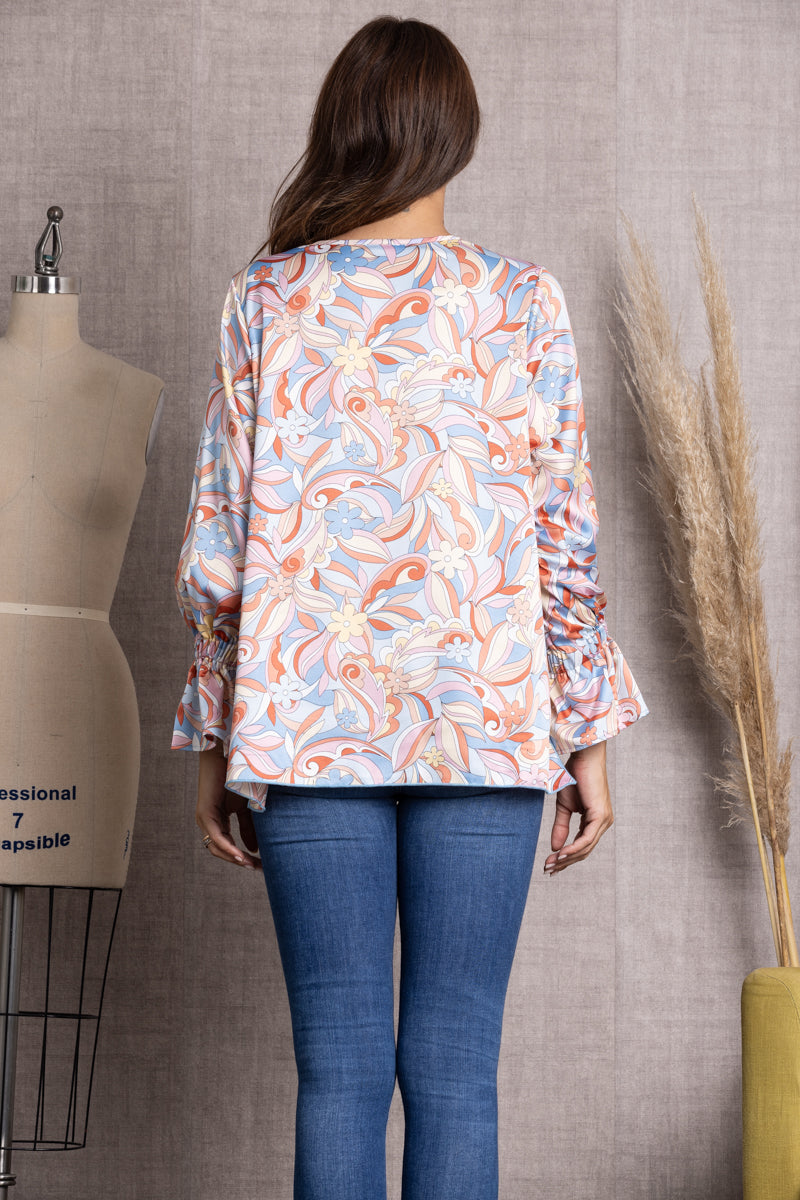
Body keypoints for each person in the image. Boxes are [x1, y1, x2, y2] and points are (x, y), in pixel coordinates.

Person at [170, 15, 649, 1200]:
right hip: (485, 722)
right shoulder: (518, 300)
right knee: (455, 1073)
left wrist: (219, 736)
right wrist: (584, 734)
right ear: (456, 136)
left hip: (306, 726)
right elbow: (562, 540)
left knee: (336, 1074)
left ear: (341, 128)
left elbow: (219, 547)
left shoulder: (265, 301)